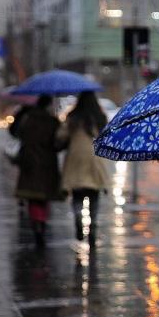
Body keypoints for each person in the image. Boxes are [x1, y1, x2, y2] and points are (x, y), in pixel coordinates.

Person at [56, 91, 109, 246]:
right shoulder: (99, 118)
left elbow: (61, 137)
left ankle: (79, 216)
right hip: (94, 159)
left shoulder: (73, 117)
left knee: (78, 194)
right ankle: (92, 225)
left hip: (76, 158)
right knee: (94, 195)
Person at [16, 95, 61, 246]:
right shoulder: (52, 122)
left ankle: (36, 224)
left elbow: (16, 133)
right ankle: (41, 222)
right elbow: (58, 142)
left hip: (29, 161)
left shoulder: (27, 119)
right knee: (44, 195)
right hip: (47, 163)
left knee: (32, 196)